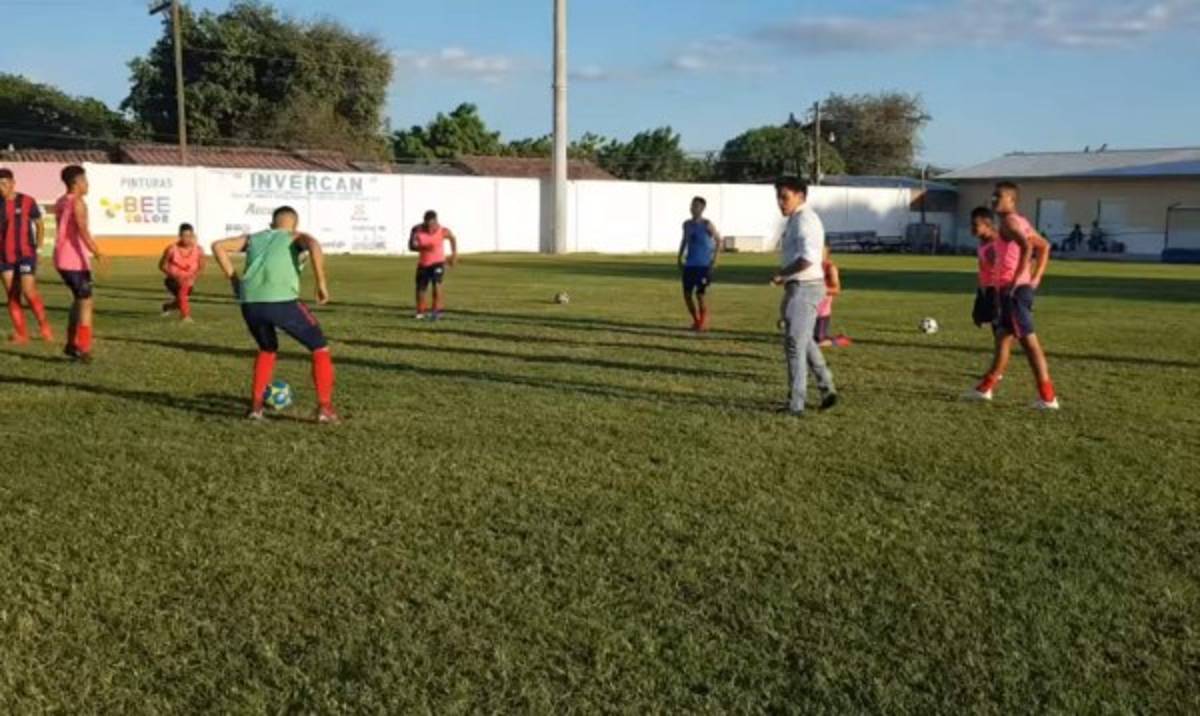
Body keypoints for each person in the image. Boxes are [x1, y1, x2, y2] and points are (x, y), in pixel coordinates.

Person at [211, 206, 338, 423]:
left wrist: (234, 280)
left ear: (271, 224)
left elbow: (218, 246)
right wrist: (321, 282)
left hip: (250, 304)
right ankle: (325, 409)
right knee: (320, 347)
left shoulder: (254, 238)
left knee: (267, 349)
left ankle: (256, 408)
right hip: (281, 302)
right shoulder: (294, 237)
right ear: (295, 225)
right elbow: (314, 245)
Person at [966, 182, 1059, 410]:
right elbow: (1044, 246)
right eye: (994, 196)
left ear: (1012, 200)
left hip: (1012, 291)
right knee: (1002, 339)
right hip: (1009, 290)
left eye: (999, 196)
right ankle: (984, 389)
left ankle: (1048, 398)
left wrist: (1018, 280)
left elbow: (1027, 247)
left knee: (1029, 344)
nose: (994, 199)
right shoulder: (1021, 221)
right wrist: (1035, 279)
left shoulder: (1009, 221)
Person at [770, 177, 838, 416]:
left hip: (804, 286)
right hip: (799, 286)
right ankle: (827, 387)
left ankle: (795, 405)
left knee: (794, 346)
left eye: (785, 197)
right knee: (804, 341)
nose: (780, 202)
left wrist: (782, 274)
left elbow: (808, 258)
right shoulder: (796, 219)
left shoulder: (805, 220)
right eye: (778, 197)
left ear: (801, 196)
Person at [53, 165, 102, 363]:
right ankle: (83, 347)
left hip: (62, 258)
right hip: (74, 261)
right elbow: (82, 230)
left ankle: (71, 344)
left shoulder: (60, 201)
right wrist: (97, 251)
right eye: (85, 181)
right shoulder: (78, 203)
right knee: (86, 303)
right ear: (77, 183)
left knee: (78, 301)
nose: (87, 185)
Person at [0, 168, 53, 344]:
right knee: (12, 294)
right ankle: (22, 334)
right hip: (3, 255)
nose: (1, 187)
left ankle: (45, 327)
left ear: (13, 183)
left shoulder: (28, 201)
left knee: (29, 292)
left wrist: (38, 247)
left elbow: (39, 224)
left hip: (25, 254)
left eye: (4, 183)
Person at [677, 196, 721, 331]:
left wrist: (713, 261)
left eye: (696, 206)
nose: (693, 208)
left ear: (702, 208)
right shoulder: (686, 224)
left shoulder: (707, 224)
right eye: (692, 205)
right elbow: (684, 240)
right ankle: (696, 320)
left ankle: (702, 322)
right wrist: (679, 257)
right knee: (687, 294)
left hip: (703, 266)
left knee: (700, 295)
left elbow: (719, 241)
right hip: (690, 265)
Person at [409, 210, 458, 320]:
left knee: (437, 284)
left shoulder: (443, 230)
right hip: (424, 263)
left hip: (438, 262)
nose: (430, 228)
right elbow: (411, 246)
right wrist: (422, 247)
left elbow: (452, 238)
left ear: (436, 221)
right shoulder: (416, 230)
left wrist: (454, 255)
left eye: (433, 225)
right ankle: (420, 311)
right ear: (424, 222)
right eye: (428, 225)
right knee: (421, 288)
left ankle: (437, 311)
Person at [158, 223, 205, 322]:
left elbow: (201, 267)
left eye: (189, 236)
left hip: (189, 281)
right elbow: (161, 266)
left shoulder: (199, 250)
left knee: (181, 299)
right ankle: (186, 316)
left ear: (193, 236)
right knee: (182, 293)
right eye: (184, 236)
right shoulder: (171, 249)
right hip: (173, 280)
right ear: (179, 236)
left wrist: (194, 277)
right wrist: (175, 276)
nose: (186, 239)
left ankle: (167, 306)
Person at [970, 207, 1001, 329]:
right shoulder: (984, 242)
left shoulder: (995, 244)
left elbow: (1001, 269)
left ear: (988, 225)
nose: (972, 228)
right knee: (979, 318)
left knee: (998, 325)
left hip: (994, 289)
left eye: (975, 225)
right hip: (985, 288)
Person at [814, 245, 851, 348]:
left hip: (822, 311)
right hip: (809, 308)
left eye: (820, 253)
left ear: (826, 254)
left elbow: (836, 290)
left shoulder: (830, 268)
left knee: (819, 342)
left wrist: (820, 290)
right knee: (803, 338)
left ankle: (840, 340)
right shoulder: (810, 267)